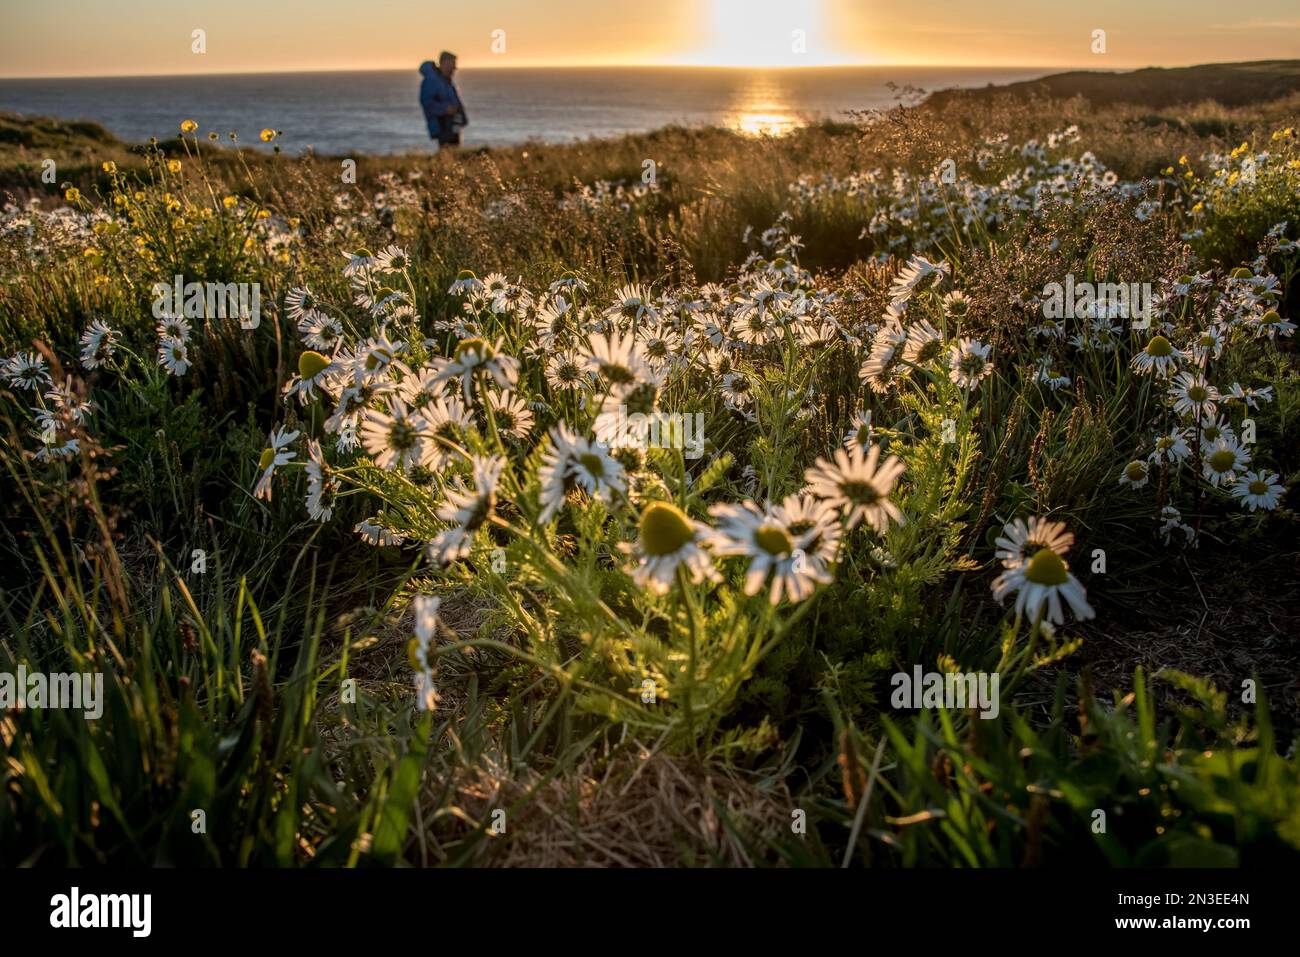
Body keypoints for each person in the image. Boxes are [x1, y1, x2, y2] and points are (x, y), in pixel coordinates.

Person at [419, 52, 468, 148]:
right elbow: (426, 102)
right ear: (444, 63)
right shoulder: (432, 80)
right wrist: (446, 109)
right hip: (443, 124)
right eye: (452, 64)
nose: (455, 68)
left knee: (456, 151)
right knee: (448, 152)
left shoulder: (447, 80)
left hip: (454, 123)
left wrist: (462, 118)